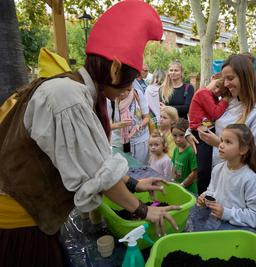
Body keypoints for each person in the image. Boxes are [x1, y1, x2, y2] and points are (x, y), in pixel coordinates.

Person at [0, 2, 180, 265]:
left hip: (31, 220)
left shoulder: (70, 90)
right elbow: (99, 177)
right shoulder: (68, 98)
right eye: (128, 82)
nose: (128, 91)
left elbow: (93, 164)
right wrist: (144, 212)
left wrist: (135, 184)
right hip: (18, 229)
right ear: (115, 69)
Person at [192, 54, 256, 169]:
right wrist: (190, 132)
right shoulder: (228, 101)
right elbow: (204, 117)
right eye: (224, 79)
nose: (225, 84)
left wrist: (219, 143)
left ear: (245, 77)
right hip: (217, 169)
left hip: (238, 178)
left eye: (230, 78)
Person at [189, 124, 256, 233]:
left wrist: (226, 213)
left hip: (238, 234)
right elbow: (213, 191)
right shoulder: (217, 169)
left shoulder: (250, 179)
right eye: (221, 140)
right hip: (217, 226)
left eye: (228, 142)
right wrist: (206, 196)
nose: (221, 145)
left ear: (243, 149)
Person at [188, 73, 230, 194]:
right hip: (200, 133)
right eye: (216, 86)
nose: (216, 91)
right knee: (204, 169)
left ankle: (205, 193)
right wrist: (225, 100)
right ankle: (203, 194)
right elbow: (215, 113)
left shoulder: (213, 96)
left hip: (205, 131)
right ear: (213, 78)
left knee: (207, 167)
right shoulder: (203, 93)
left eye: (220, 92)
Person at [119, 86, 150, 164]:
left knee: (140, 168)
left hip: (140, 141)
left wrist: (138, 126)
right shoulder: (110, 98)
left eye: (125, 90)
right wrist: (119, 125)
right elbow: (107, 125)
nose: (122, 93)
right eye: (119, 90)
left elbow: (146, 118)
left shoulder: (137, 94)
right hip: (120, 143)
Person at [171, 118, 198, 195]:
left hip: (190, 190)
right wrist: (173, 179)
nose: (178, 139)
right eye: (174, 136)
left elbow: (194, 172)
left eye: (182, 135)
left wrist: (183, 185)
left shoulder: (191, 151)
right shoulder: (176, 149)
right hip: (178, 187)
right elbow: (174, 166)